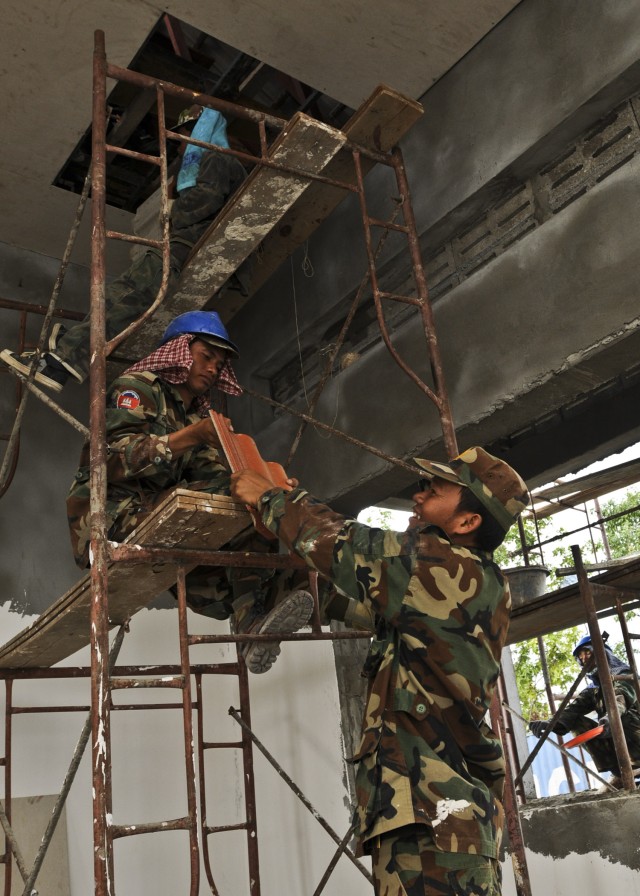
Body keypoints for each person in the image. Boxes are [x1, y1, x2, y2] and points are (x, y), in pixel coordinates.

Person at [230, 447, 529, 895]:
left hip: (433, 824)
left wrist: (272, 497)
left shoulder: (439, 566)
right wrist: (293, 584)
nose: (419, 494)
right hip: (438, 823)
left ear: (468, 523)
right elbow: (359, 602)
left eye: (436, 489)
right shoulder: (459, 585)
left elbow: (346, 546)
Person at [66, 309, 313, 674]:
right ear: (179, 352)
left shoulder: (198, 418)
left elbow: (220, 478)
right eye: (206, 357)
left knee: (254, 510)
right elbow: (114, 462)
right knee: (246, 500)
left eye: (220, 363)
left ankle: (254, 619)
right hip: (112, 519)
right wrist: (189, 438)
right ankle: (253, 618)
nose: (214, 368)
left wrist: (270, 486)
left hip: (165, 516)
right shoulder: (136, 388)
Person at [1, 105, 248, 393]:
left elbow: (202, 204)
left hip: (184, 247)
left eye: (182, 138)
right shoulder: (216, 162)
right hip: (181, 247)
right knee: (119, 295)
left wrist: (171, 207)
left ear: (199, 132)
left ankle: (59, 364)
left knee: (127, 298)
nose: (179, 147)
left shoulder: (216, 158)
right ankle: (65, 349)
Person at [529, 633, 640, 788]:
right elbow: (572, 710)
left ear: (603, 654)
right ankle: (620, 771)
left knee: (622, 716)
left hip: (635, 734)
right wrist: (549, 724)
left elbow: (621, 699)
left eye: (588, 653)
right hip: (619, 739)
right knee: (574, 720)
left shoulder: (624, 675)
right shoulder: (593, 689)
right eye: (580, 657)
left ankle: (635, 764)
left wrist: (611, 718)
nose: (584, 659)